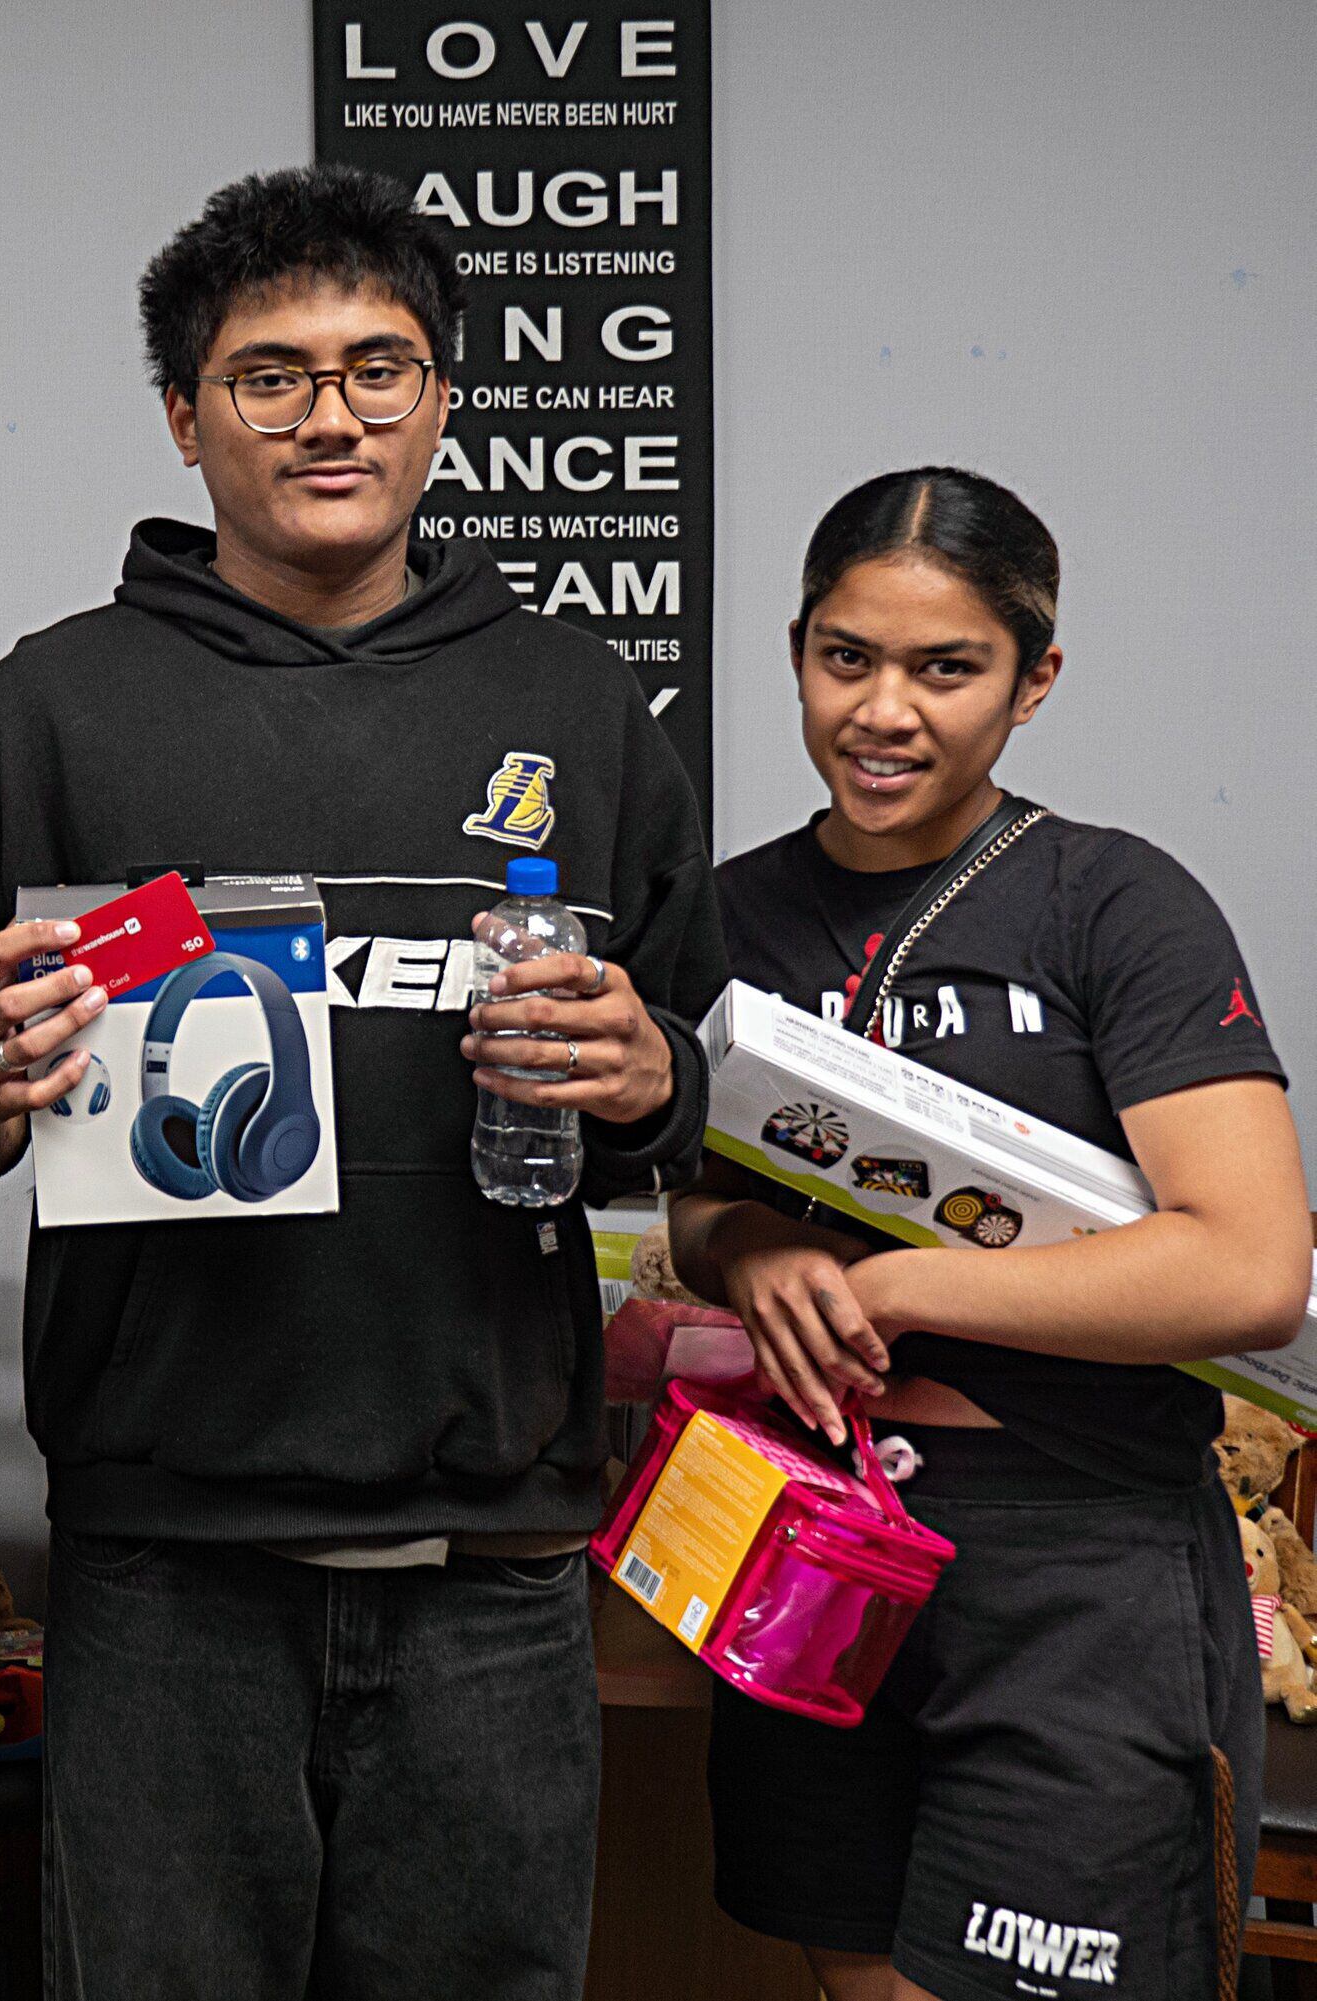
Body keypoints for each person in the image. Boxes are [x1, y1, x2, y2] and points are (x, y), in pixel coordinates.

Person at [0, 163, 724, 1999]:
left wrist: (649, 1068)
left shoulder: (585, 710)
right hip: (167, 1568)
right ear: (186, 417)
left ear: (442, 399)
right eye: (270, 375)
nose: (329, 413)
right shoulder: (52, 710)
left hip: (496, 1561)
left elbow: (688, 1103)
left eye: (379, 366)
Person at [670, 467, 1307, 2001]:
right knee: (860, 1976)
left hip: (1074, 1565)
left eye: (945, 669)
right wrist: (750, 1251)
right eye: (845, 657)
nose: (883, 712)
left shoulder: (1116, 904)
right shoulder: (724, 915)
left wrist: (899, 1281)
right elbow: (692, 1202)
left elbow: (1249, 1265)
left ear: (1035, 680)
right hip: (807, 1543)